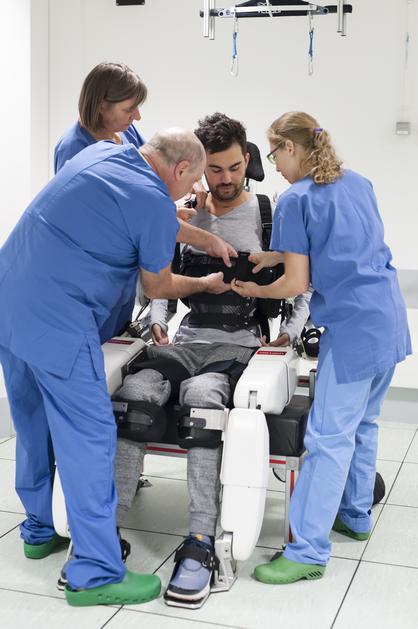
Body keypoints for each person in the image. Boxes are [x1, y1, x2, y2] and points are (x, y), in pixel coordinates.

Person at [0, 128, 236, 607]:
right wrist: (206, 283)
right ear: (181, 169)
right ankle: (95, 571)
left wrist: (205, 238)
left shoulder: (106, 156)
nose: (190, 193)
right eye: (191, 183)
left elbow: (151, 216)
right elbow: (158, 285)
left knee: (32, 422)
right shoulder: (152, 198)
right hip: (58, 323)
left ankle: (40, 531)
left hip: (10, 302)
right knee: (90, 437)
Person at [113, 113, 311, 606]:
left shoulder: (268, 214)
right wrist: (157, 320)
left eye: (234, 167)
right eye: (215, 170)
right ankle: (104, 532)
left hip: (239, 343)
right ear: (200, 167)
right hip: (186, 339)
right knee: (135, 393)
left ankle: (201, 540)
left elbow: (303, 285)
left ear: (248, 161)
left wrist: (287, 336)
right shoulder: (183, 213)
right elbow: (157, 277)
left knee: (202, 399)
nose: (225, 179)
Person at [231, 111, 411, 584]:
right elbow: (341, 245)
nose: (273, 165)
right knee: (362, 424)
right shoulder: (358, 183)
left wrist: (255, 289)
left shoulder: (295, 199)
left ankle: (307, 550)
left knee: (328, 438)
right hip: (388, 318)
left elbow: (296, 283)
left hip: (352, 330)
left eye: (274, 154)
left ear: (290, 148)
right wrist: (275, 254)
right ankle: (354, 514)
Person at [54, 62, 147, 173]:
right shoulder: (72, 149)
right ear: (101, 106)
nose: (138, 117)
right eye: (128, 110)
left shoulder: (127, 130)